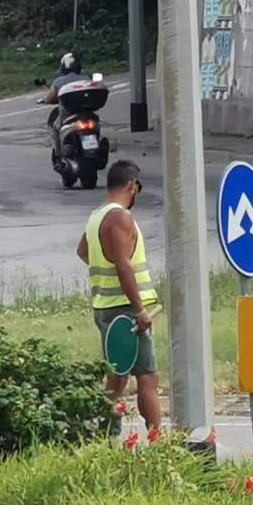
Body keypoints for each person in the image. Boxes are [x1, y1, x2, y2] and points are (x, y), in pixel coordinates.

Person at [77, 160, 160, 430]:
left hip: (105, 306)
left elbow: (83, 252)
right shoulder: (120, 217)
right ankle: (158, 440)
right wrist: (139, 309)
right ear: (131, 186)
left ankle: (105, 433)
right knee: (147, 376)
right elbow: (123, 263)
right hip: (125, 310)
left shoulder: (97, 216)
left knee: (118, 374)